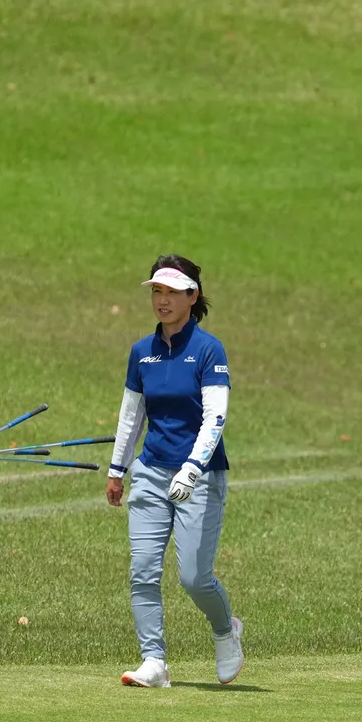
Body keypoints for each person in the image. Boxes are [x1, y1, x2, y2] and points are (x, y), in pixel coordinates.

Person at [105, 255, 243, 688]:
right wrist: (117, 469)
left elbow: (215, 417)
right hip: (150, 472)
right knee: (143, 572)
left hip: (200, 477)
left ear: (192, 296)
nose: (162, 301)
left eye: (172, 292)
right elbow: (132, 416)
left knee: (194, 578)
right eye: (156, 292)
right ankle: (154, 661)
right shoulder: (141, 352)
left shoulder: (208, 349)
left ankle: (226, 630)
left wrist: (192, 468)